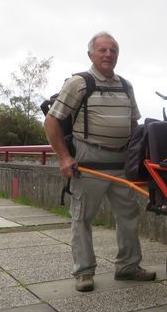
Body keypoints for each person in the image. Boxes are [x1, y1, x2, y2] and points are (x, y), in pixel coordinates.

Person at [44, 32, 156, 292]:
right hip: (89, 162)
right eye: (103, 50)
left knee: (129, 214)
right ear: (91, 55)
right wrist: (64, 157)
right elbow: (51, 121)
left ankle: (128, 266)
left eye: (113, 50)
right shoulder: (79, 83)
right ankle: (84, 271)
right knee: (82, 218)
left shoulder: (126, 86)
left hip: (121, 162)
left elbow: (133, 124)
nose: (108, 55)